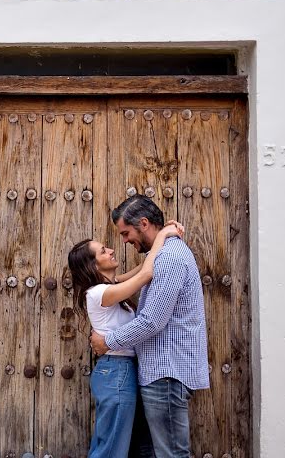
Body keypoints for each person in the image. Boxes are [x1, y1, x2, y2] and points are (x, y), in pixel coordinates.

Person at [90, 195, 209, 458]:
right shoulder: (163, 255)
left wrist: (107, 341)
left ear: (143, 223)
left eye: (126, 233)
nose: (123, 241)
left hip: (166, 373)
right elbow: (132, 278)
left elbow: (152, 321)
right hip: (160, 373)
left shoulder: (169, 258)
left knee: (171, 454)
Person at [69, 221, 183, 458]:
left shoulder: (112, 286)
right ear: (93, 265)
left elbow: (145, 265)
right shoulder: (99, 292)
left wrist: (161, 235)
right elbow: (147, 273)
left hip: (121, 371)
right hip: (116, 372)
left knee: (118, 446)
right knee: (111, 448)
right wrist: (163, 234)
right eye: (103, 251)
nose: (111, 250)